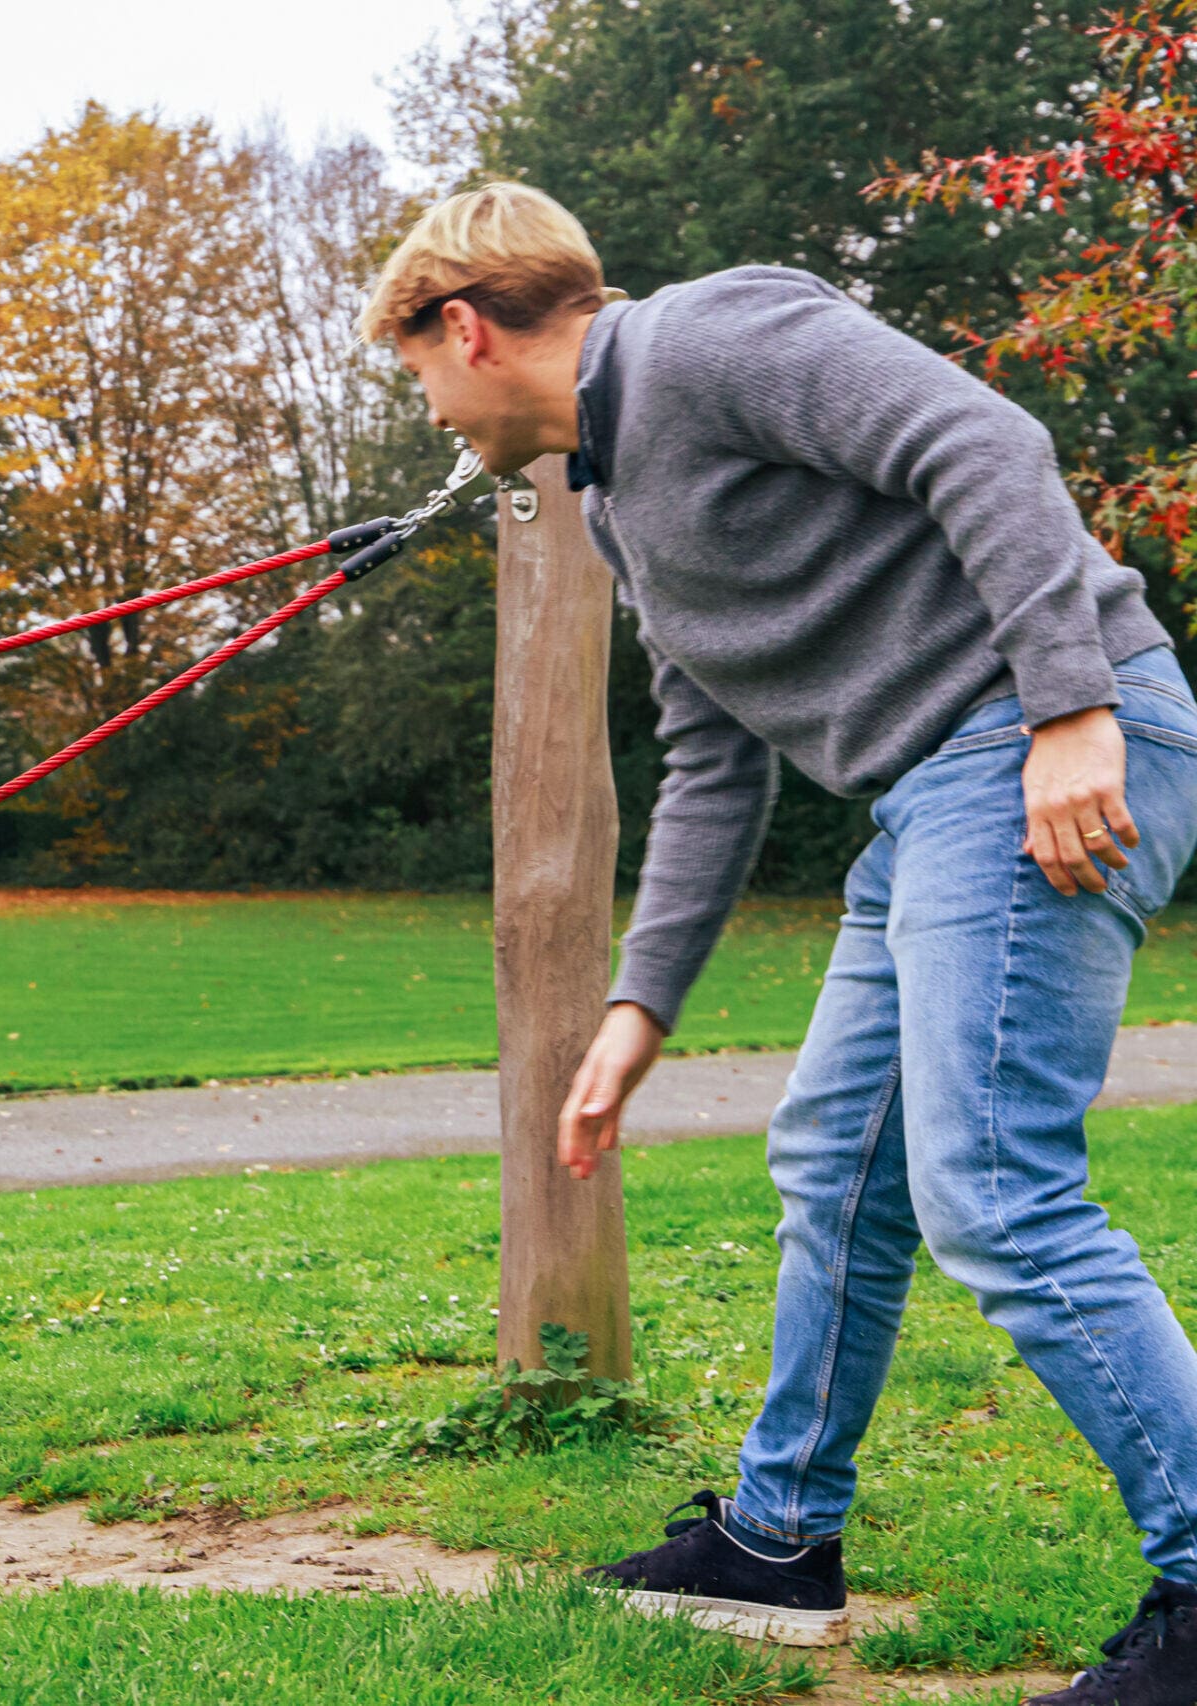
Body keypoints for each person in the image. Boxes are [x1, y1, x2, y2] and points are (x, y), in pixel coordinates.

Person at [360, 182, 1197, 1703]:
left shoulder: (708, 337)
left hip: (1039, 738)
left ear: (464, 328)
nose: (427, 407)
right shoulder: (615, 496)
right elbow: (714, 761)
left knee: (997, 1189)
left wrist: (1071, 706)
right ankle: (775, 1539)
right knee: (839, 1159)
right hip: (936, 785)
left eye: (415, 367)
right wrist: (640, 1004)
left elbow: (985, 444)